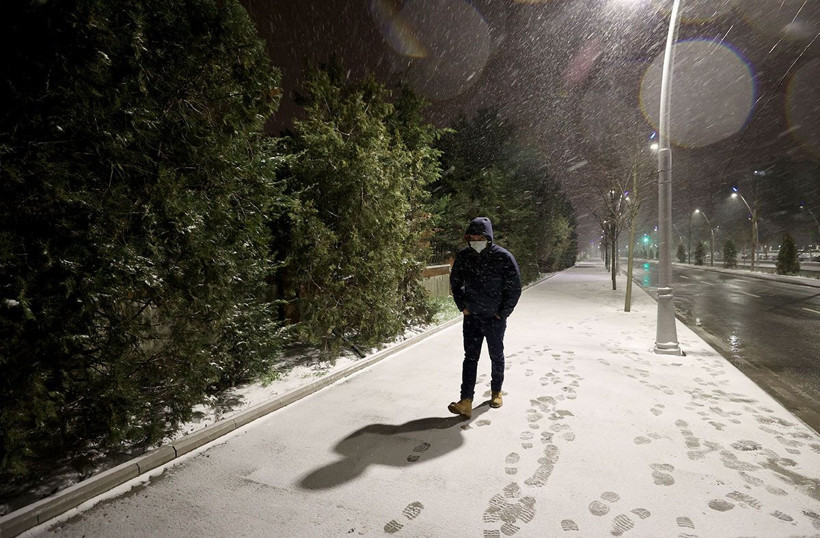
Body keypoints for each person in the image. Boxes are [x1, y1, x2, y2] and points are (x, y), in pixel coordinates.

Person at [448, 217, 521, 419]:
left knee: (496, 355)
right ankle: (466, 401)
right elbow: (455, 282)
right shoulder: (464, 257)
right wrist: (462, 306)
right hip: (472, 317)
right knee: (470, 358)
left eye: (481, 236)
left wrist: (502, 312)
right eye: (473, 237)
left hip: (494, 318)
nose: (476, 240)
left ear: (488, 237)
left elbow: (514, 288)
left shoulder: (503, 257)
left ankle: (496, 391)